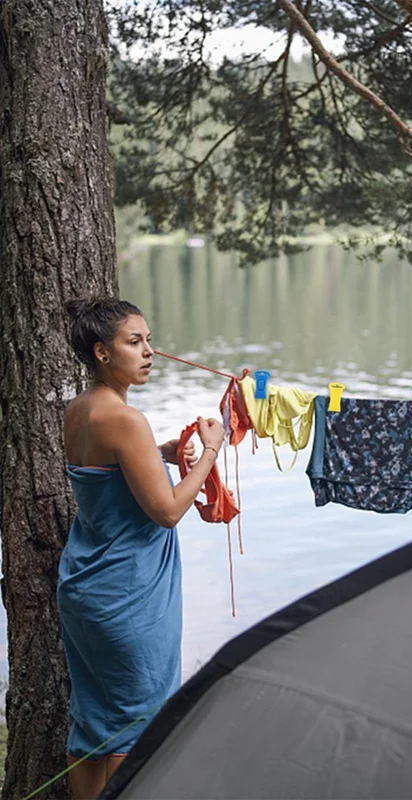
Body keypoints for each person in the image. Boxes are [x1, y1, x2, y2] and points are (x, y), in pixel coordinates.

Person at [58, 297, 225, 800]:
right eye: (136, 343)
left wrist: (164, 455)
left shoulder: (80, 410)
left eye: (148, 340)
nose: (150, 352)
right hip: (129, 597)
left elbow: (107, 471)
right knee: (136, 730)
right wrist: (211, 448)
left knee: (91, 725)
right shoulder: (127, 421)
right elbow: (169, 510)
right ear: (102, 353)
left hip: (84, 588)